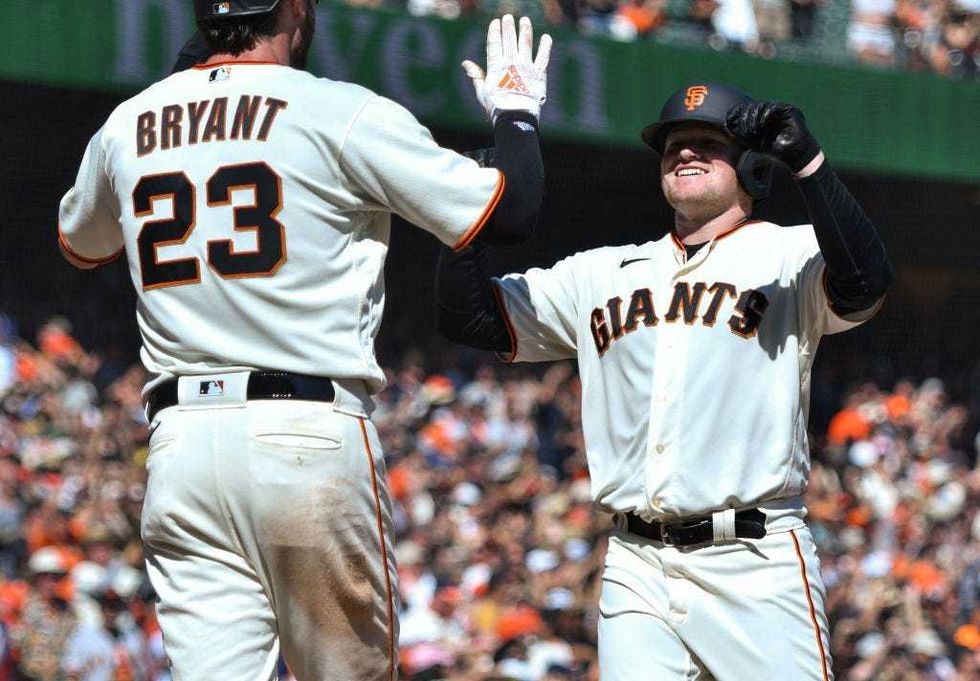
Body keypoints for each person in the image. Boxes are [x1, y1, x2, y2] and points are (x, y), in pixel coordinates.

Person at [57, 0, 553, 677]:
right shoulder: (339, 110)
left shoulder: (129, 122)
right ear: (294, 10)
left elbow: (81, 242)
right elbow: (510, 209)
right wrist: (515, 113)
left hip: (181, 447)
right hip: (305, 434)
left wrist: (179, 95)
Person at [435, 82, 894, 679]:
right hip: (637, 562)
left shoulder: (789, 254)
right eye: (673, 143)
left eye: (709, 142)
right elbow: (472, 318)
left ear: (751, 165)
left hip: (753, 559)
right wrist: (465, 216)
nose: (685, 151)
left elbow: (865, 281)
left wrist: (808, 163)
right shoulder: (602, 271)